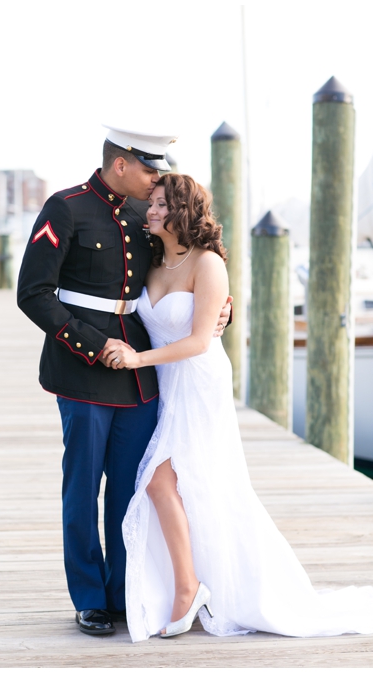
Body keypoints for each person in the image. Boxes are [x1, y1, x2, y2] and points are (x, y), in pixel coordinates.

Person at [103, 173, 373, 641]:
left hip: (200, 381)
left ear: (182, 210)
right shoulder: (151, 263)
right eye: (149, 204)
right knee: (183, 486)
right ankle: (190, 582)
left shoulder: (208, 264)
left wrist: (137, 358)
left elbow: (196, 340)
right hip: (169, 386)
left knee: (162, 480)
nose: (149, 212)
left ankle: (189, 587)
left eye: (158, 204)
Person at [17, 125, 232, 636]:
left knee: (131, 491)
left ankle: (122, 592)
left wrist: (224, 313)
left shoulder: (149, 214)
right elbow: (34, 292)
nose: (155, 179)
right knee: (82, 488)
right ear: (121, 165)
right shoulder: (65, 208)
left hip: (142, 374)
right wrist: (92, 346)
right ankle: (90, 597)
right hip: (83, 372)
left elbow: (188, 272)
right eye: (148, 168)